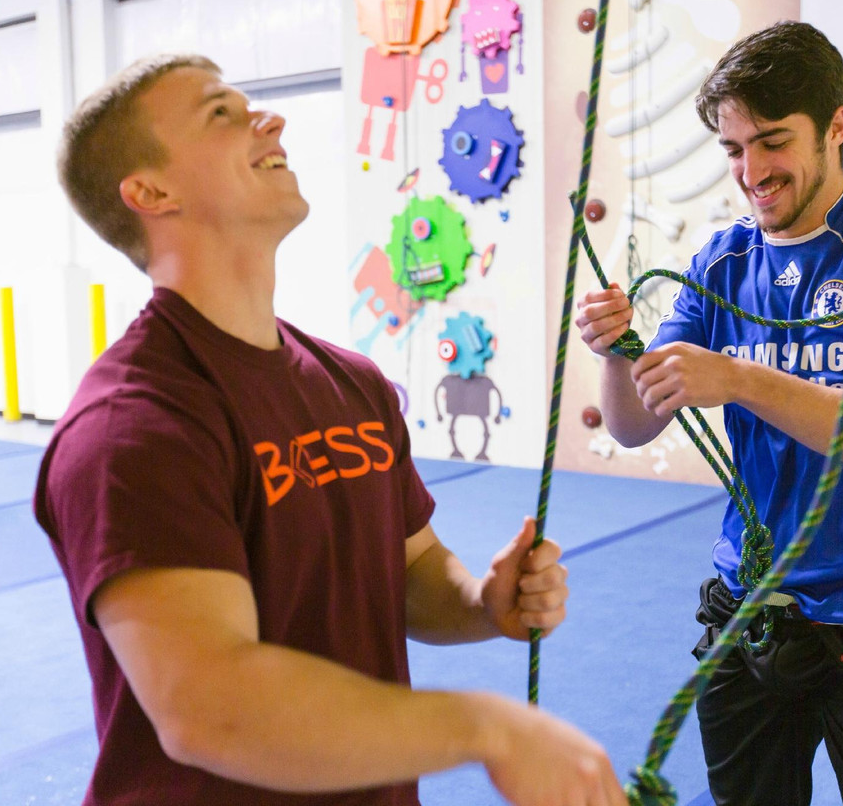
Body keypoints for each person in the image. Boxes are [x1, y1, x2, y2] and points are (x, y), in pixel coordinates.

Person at [33, 53, 628, 806]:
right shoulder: (133, 429)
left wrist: (483, 602)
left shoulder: (353, 385)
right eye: (221, 113)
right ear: (151, 191)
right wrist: (486, 726)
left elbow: (412, 573)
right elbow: (211, 710)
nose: (270, 118)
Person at [575, 20, 843, 806]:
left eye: (771, 142)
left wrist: (742, 378)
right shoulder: (724, 259)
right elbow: (634, 423)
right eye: (733, 150)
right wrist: (614, 351)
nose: (751, 171)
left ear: (837, 127)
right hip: (752, 609)